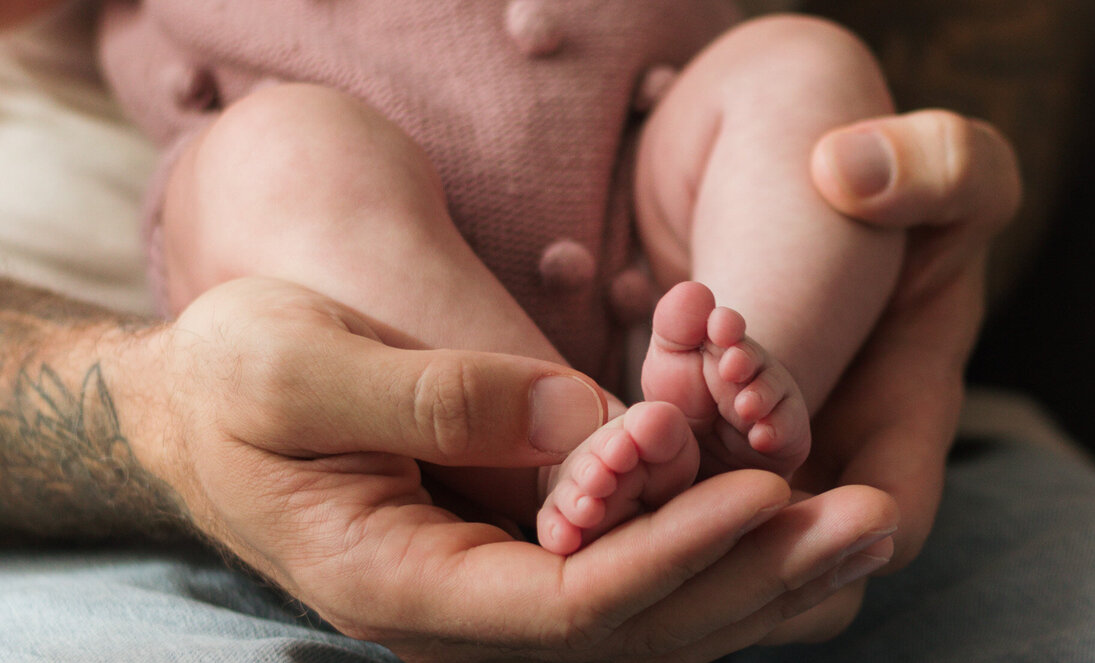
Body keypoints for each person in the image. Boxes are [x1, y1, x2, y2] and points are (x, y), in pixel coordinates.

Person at [68, 0, 912, 555]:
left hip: (650, 210)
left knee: (802, 64)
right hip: (345, 316)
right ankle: (557, 449)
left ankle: (740, 389)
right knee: (273, 159)